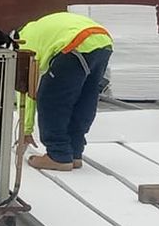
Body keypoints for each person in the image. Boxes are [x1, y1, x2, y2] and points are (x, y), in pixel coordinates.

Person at [14, 12, 113, 171]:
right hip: (102, 41)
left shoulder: (23, 42)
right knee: (84, 98)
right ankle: (74, 153)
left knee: (51, 100)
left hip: (75, 44)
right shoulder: (39, 30)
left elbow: (26, 88)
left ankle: (58, 155)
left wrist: (26, 130)